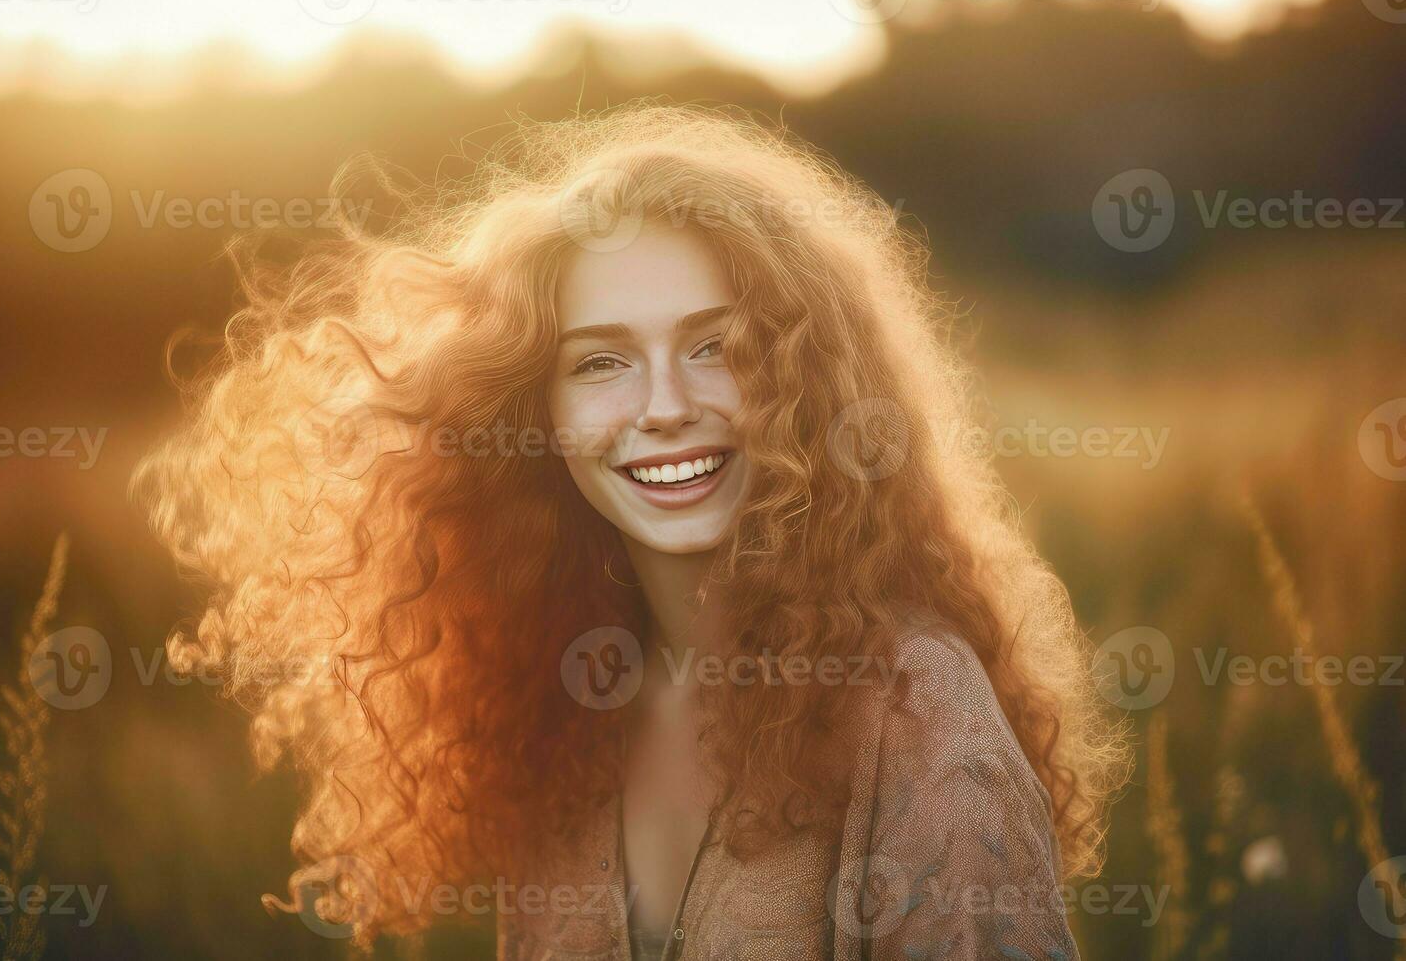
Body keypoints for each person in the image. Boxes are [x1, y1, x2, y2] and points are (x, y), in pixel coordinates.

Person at [134, 103, 1128, 959]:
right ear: (538, 412)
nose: (662, 405)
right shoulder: (555, 703)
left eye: (715, 347)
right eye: (602, 362)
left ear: (804, 382)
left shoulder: (914, 704)